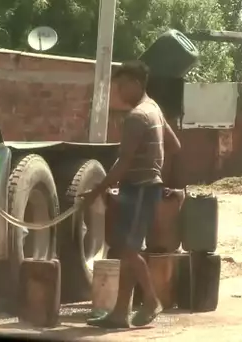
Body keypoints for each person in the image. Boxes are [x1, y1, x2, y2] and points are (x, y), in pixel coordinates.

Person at [80, 60, 181, 328]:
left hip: (140, 188)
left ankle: (150, 299)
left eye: (122, 86)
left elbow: (123, 163)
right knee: (126, 249)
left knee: (127, 249)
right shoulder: (155, 110)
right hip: (143, 187)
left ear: (136, 84)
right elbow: (174, 144)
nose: (119, 92)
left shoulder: (138, 116)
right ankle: (119, 313)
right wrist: (153, 162)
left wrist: (97, 190)